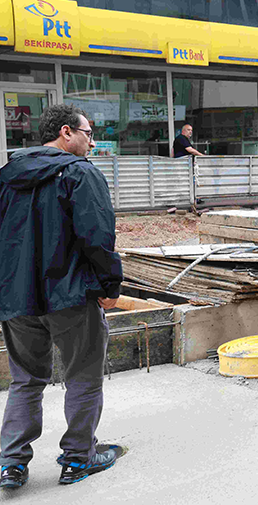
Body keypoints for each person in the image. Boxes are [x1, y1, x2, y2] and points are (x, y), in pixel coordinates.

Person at [0, 104, 124, 488]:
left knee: (25, 380)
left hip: (16, 299)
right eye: (89, 134)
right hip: (70, 295)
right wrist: (110, 286)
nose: (92, 142)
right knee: (83, 377)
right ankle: (78, 458)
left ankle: (10, 464)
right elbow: (98, 236)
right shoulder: (80, 174)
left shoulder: (7, 176)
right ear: (67, 132)